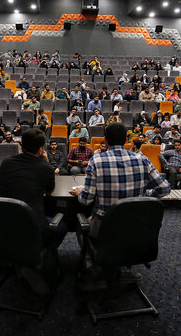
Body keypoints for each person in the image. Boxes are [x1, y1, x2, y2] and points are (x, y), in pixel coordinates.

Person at [69, 123, 170, 290]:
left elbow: (86, 200)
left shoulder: (97, 160)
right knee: (121, 236)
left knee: (81, 226)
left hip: (104, 225)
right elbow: (165, 188)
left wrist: (80, 191)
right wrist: (143, 197)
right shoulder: (142, 158)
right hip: (137, 226)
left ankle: (95, 269)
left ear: (105, 140)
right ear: (126, 141)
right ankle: (119, 268)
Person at [0, 128, 68, 294]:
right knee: (63, 225)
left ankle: (20, 257)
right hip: (32, 227)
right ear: (42, 148)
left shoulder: (6, 163)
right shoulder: (44, 168)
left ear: (22, 146)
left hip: (3, 224)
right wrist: (46, 162)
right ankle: (38, 258)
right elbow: (50, 190)